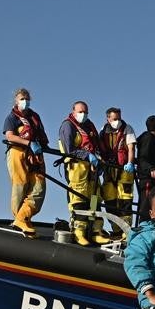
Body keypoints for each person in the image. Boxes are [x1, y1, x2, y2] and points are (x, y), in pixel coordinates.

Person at [58, 101, 112, 246]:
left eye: (85, 112)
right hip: (77, 171)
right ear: (73, 111)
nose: (83, 115)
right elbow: (69, 149)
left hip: (92, 171)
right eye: (80, 111)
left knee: (95, 199)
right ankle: (79, 232)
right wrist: (87, 155)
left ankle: (96, 231)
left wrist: (99, 159)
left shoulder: (89, 125)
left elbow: (96, 145)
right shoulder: (67, 126)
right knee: (79, 201)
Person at [1, 87, 48, 238]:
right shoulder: (11, 118)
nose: (25, 102)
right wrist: (28, 143)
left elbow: (41, 135)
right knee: (20, 185)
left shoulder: (35, 117)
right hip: (18, 152)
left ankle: (23, 217)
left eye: (27, 99)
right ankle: (20, 220)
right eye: (22, 99)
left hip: (35, 155)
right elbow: (10, 136)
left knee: (39, 187)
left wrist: (41, 147)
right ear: (16, 101)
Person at [99, 107, 138, 238]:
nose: (117, 121)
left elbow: (131, 148)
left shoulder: (128, 129)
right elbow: (99, 148)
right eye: (115, 119)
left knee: (125, 200)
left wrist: (130, 163)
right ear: (108, 119)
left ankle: (126, 231)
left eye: (119, 118)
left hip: (124, 169)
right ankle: (116, 229)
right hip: (108, 169)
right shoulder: (103, 131)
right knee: (109, 200)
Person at [135, 115, 155, 205]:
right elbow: (143, 157)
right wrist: (151, 169)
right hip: (148, 179)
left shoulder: (153, 139)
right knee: (146, 205)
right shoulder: (148, 138)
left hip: (153, 179)